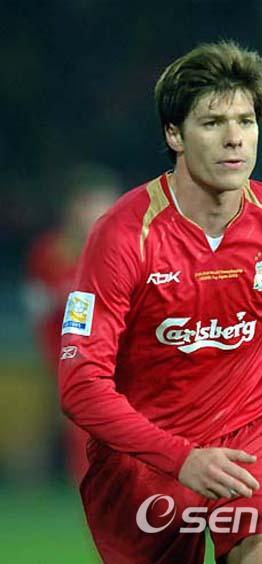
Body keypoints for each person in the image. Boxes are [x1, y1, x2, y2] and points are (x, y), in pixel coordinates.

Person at [58, 41, 262, 564]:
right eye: (212, 123)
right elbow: (80, 388)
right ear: (174, 135)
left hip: (251, 439)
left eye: (246, 121)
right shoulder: (122, 237)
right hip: (146, 461)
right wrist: (182, 458)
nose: (235, 139)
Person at [25, 164, 119, 484]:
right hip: (73, 367)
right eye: (90, 204)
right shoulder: (49, 254)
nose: (97, 213)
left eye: (105, 203)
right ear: (73, 208)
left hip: (122, 362)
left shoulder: (124, 248)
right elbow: (42, 312)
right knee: (85, 445)